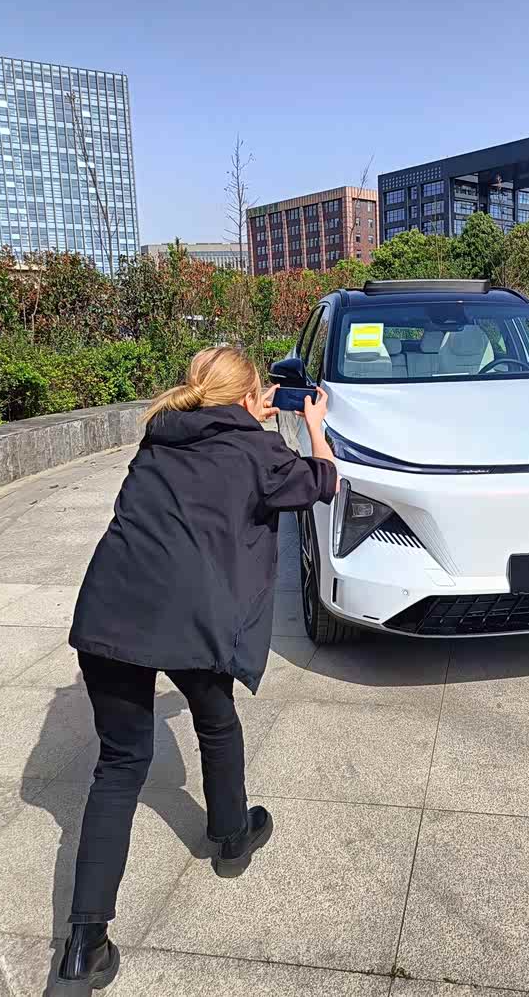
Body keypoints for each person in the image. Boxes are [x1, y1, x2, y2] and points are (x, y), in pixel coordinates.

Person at [51, 346, 337, 995]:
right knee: (217, 722)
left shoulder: (160, 435)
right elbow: (323, 483)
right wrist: (311, 424)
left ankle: (84, 945)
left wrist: (248, 416)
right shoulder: (258, 451)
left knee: (119, 766)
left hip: (109, 613)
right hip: (187, 619)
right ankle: (231, 837)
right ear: (250, 397)